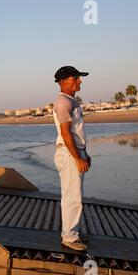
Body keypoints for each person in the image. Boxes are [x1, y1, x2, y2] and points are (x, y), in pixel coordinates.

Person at [52, 66, 91, 251]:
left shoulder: (70, 101)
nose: (79, 81)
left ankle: (72, 232)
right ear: (63, 81)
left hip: (74, 151)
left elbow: (75, 133)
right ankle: (69, 236)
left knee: (74, 195)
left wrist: (84, 153)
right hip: (69, 153)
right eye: (75, 78)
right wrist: (78, 157)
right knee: (72, 196)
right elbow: (66, 134)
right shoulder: (63, 102)